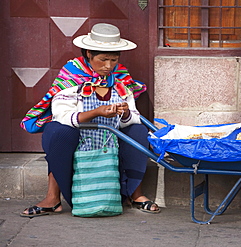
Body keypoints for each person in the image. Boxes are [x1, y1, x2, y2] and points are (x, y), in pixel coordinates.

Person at [20, 23, 160, 217]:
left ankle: (135, 194)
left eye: (114, 59)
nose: (109, 66)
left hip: (109, 136)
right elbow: (62, 116)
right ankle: (53, 198)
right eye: (103, 60)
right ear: (88, 53)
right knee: (56, 132)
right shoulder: (72, 75)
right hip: (78, 132)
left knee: (138, 131)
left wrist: (125, 112)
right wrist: (97, 112)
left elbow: (132, 118)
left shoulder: (120, 78)